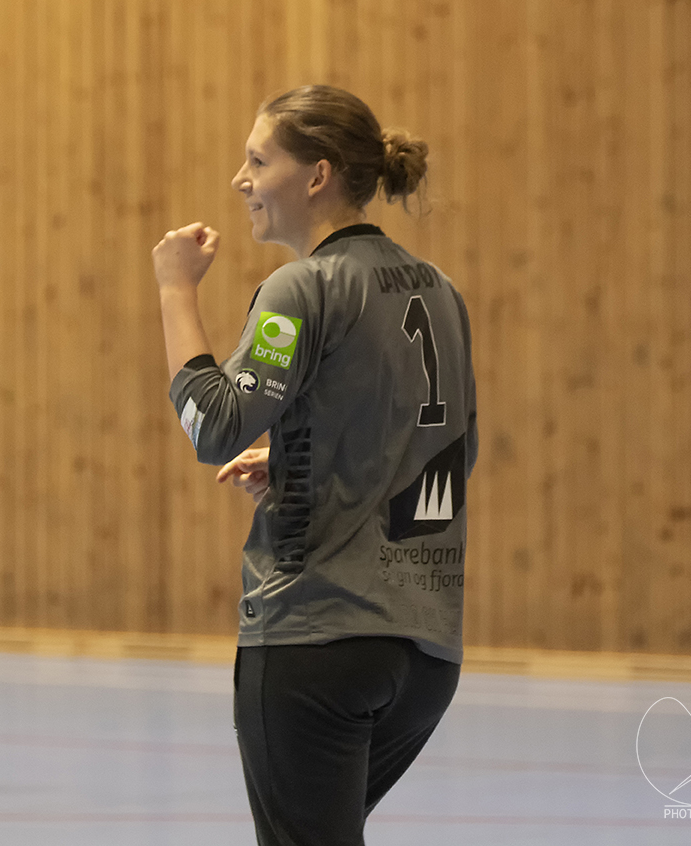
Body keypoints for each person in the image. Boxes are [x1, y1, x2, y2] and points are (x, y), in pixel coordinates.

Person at [152, 85, 477, 845]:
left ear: (317, 175)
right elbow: (440, 453)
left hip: (316, 640)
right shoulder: (441, 292)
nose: (240, 180)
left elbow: (214, 425)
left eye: (258, 160)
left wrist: (175, 290)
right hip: (426, 653)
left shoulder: (303, 286)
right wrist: (304, 462)